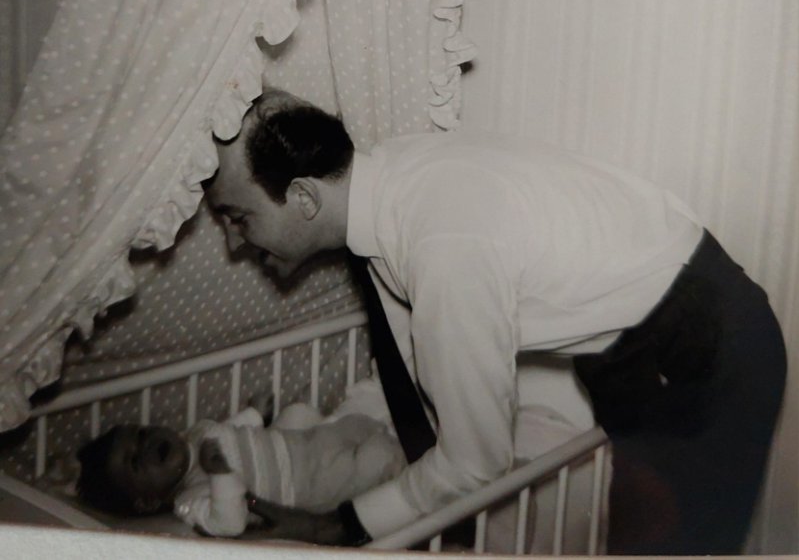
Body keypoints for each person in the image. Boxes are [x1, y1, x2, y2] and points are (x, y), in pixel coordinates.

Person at [205, 87, 786, 554]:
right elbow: (424, 371)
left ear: (304, 197)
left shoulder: (441, 242)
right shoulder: (389, 184)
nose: (233, 242)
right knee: (636, 534)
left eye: (238, 216)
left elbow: (475, 463)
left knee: (675, 545)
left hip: (703, 346)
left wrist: (338, 525)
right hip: (635, 341)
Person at [75, 399, 404, 538]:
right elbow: (229, 523)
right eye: (135, 462)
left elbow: (231, 429)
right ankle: (399, 467)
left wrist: (255, 414)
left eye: (141, 434)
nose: (145, 446)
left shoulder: (196, 433)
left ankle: (385, 434)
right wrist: (220, 474)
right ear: (148, 502)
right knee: (372, 461)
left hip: (300, 444)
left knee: (331, 419)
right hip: (304, 486)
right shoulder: (189, 501)